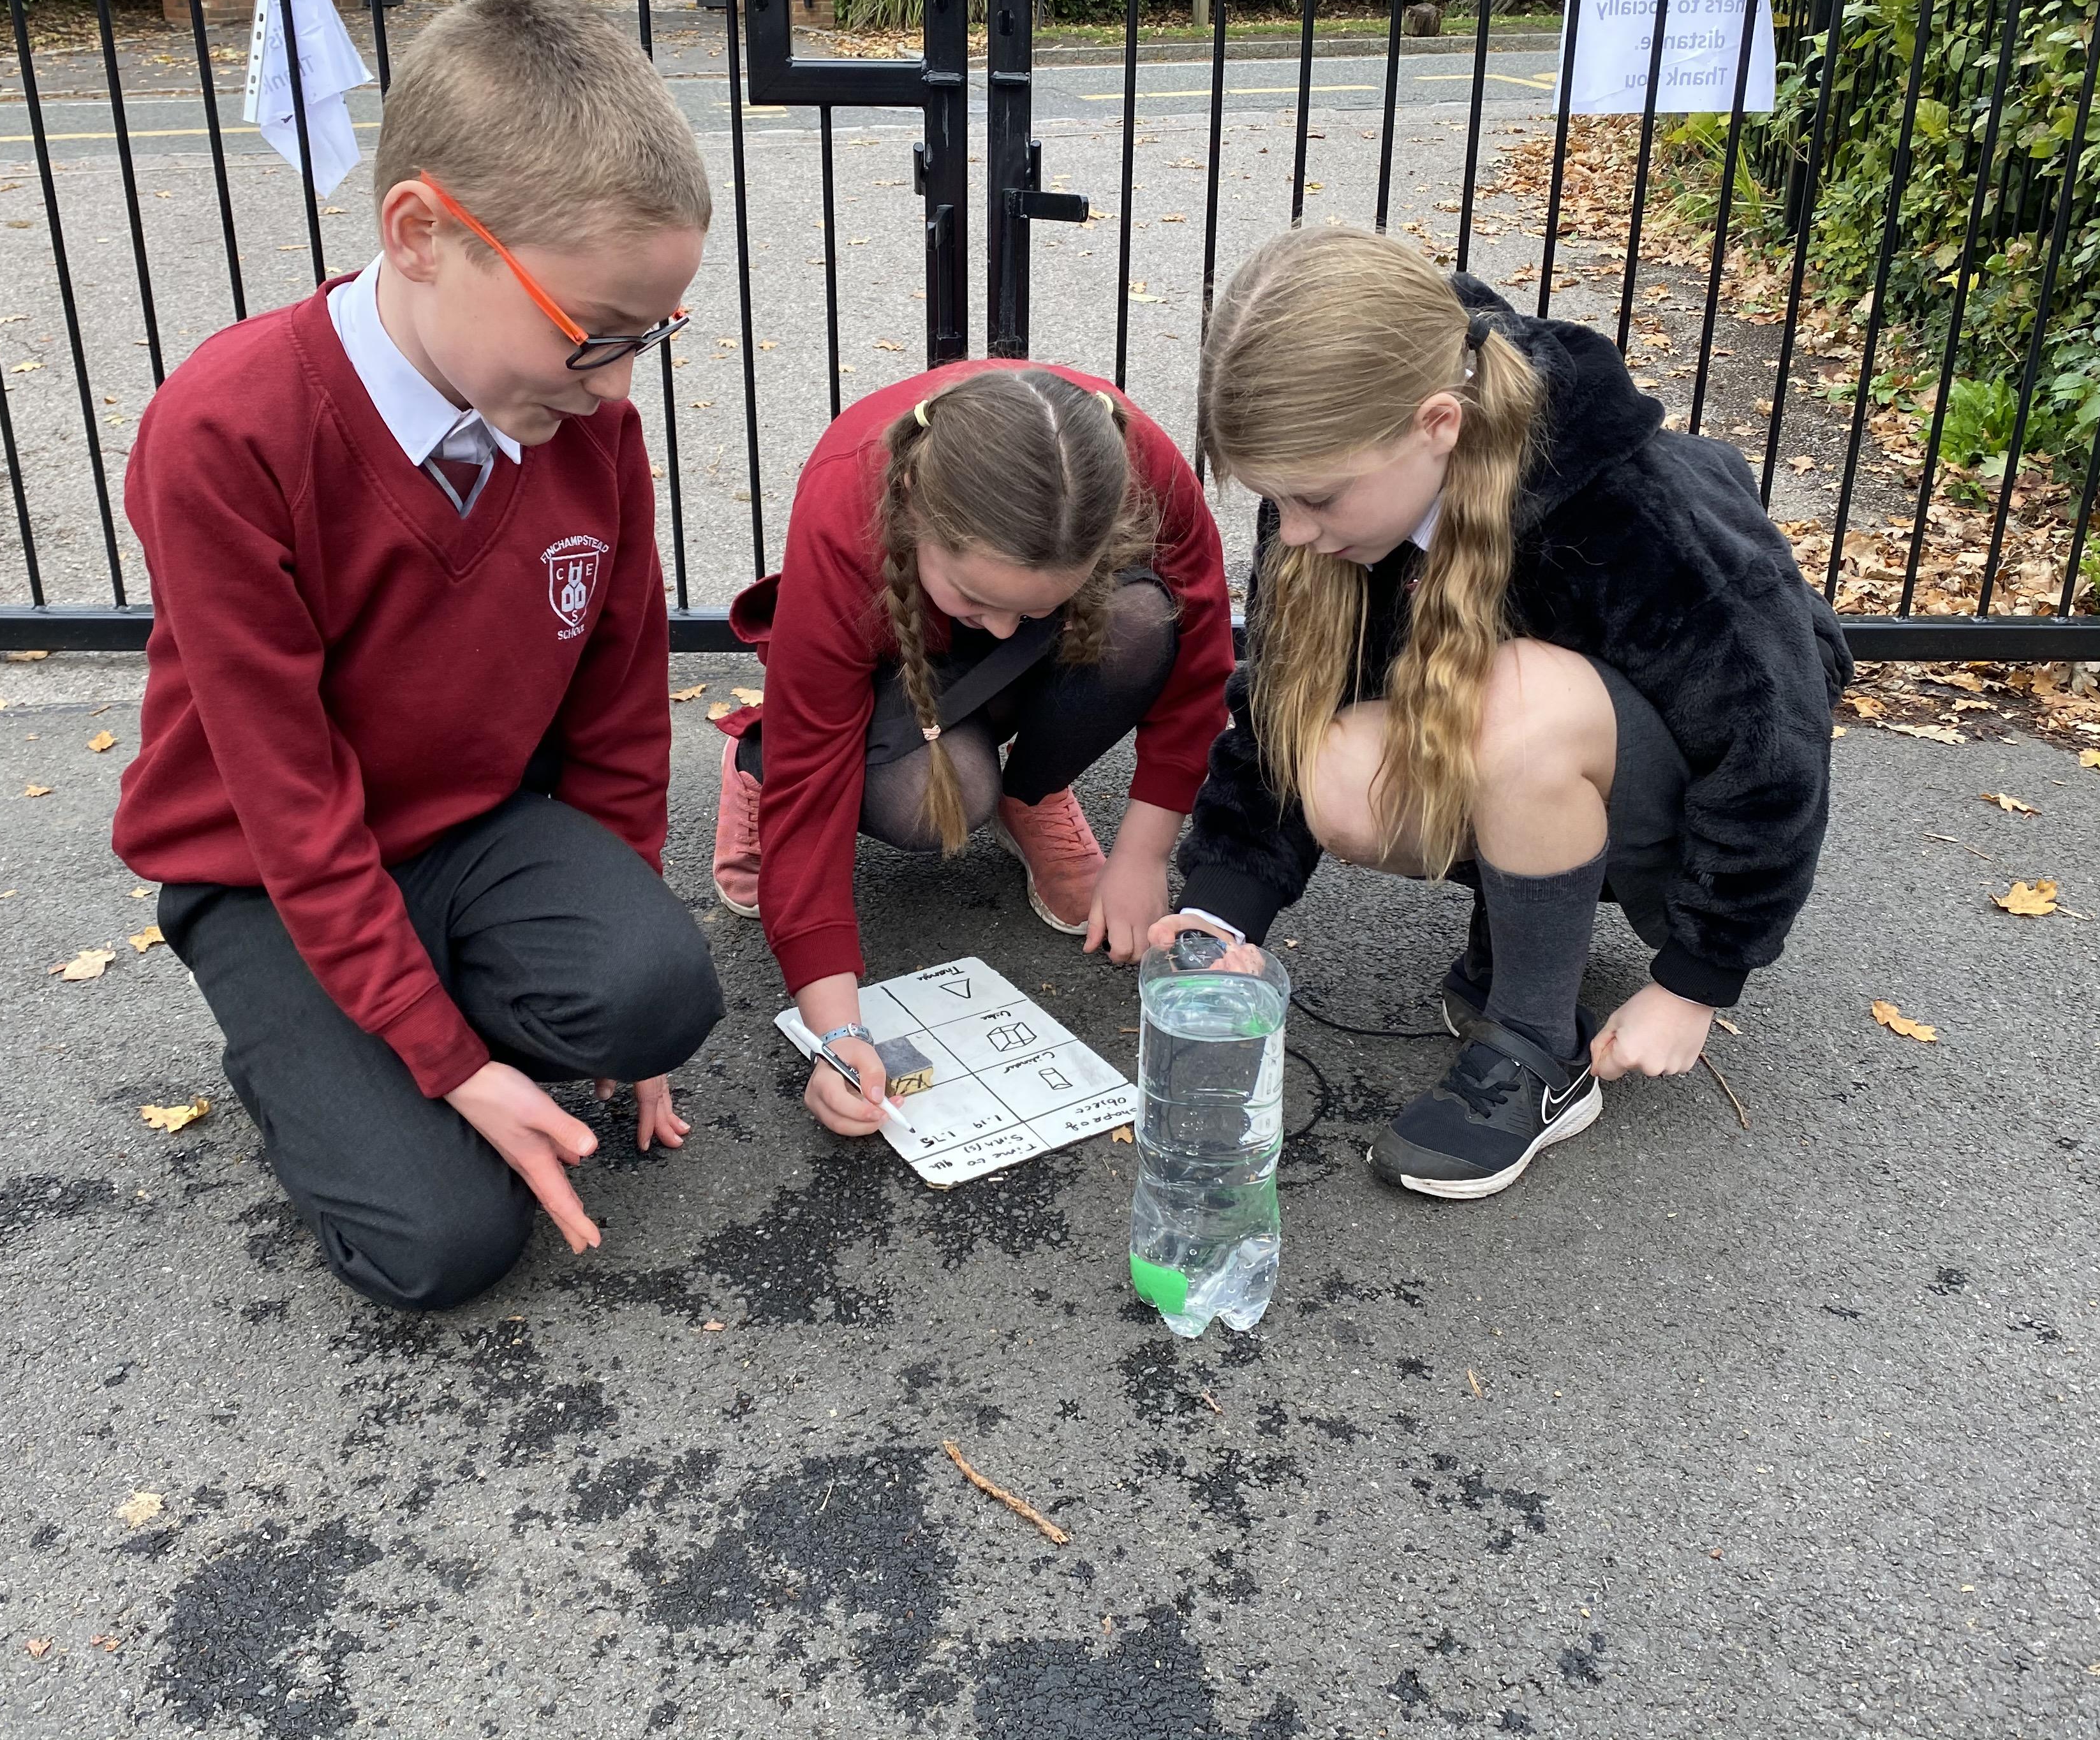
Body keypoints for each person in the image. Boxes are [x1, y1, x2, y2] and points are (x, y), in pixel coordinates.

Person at [114, 0, 723, 1309]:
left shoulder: (589, 430)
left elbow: (619, 714)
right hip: (263, 872)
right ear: (422, 234)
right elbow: (286, 799)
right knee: (441, 1244)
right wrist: (449, 1064)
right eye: (593, 332)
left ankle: (391, 1018)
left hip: (469, 829)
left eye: (650, 337)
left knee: (660, 991)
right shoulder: (227, 433)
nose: (619, 386)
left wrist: (619, 973)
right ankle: (311, 1042)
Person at [1154, 226, 1850, 1199]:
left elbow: (1776, 740)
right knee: (1335, 768)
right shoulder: (1336, 493)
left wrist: (1695, 980)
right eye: (1279, 502)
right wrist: (1220, 914)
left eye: (1313, 500)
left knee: (1512, 696)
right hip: (1542, 760)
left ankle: (1537, 1043)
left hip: (1685, 822)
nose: (1295, 533)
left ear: (1437, 424)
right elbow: (1276, 713)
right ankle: (1528, 936)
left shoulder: (1625, 501)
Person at [713, 364, 1234, 1136]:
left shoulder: (1138, 470)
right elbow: (812, 772)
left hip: (1025, 656)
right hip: (895, 664)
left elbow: (1200, 667)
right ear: (914, 514)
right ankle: (752, 760)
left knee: (1139, 622)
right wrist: (838, 1032)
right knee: (936, 802)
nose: (1002, 628)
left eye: (1034, 604)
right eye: (977, 599)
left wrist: (1146, 854)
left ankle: (1033, 791)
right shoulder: (846, 508)